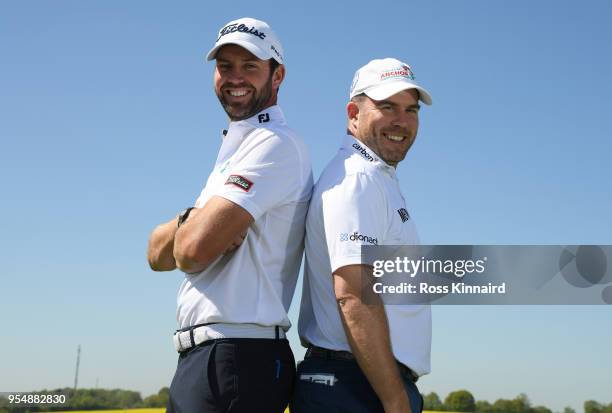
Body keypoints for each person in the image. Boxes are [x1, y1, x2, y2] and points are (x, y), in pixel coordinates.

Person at [146, 17, 312, 413]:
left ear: (278, 75)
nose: (235, 77)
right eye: (225, 66)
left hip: (239, 356)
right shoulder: (238, 149)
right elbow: (155, 254)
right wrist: (196, 217)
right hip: (215, 357)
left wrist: (195, 231)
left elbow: (190, 253)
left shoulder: (275, 144)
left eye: (250, 66)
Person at [292, 58, 433, 413]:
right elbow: (353, 294)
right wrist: (395, 400)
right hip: (355, 387)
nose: (401, 121)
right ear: (354, 113)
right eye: (387, 107)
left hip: (359, 382)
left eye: (411, 110)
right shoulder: (359, 180)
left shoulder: (375, 178)